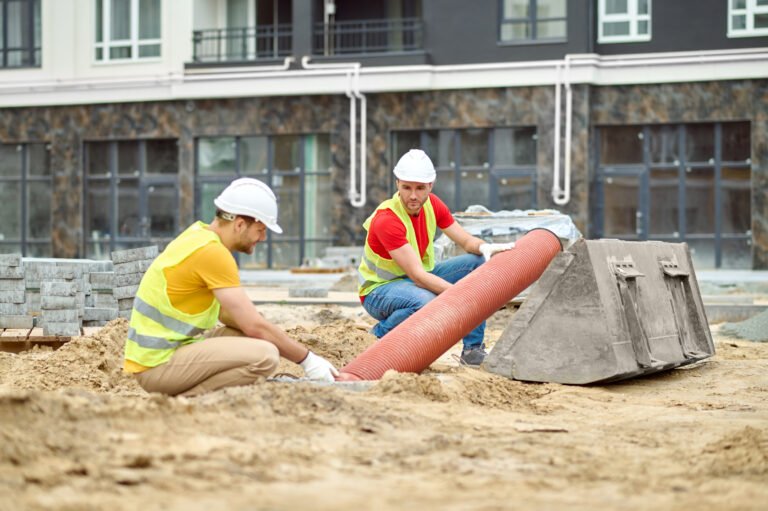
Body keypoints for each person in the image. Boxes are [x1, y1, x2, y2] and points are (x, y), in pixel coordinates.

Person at [124, 177, 339, 396]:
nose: (263, 238)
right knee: (265, 356)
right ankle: (188, 398)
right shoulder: (212, 253)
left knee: (252, 338)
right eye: (260, 229)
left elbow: (232, 317)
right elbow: (255, 326)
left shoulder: (198, 235)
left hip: (165, 355)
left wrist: (264, 329)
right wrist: (308, 360)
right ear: (239, 225)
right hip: (157, 366)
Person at [357, 149, 515, 366]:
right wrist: (465, 296)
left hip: (415, 280)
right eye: (407, 187)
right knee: (426, 302)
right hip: (379, 291)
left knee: (478, 264)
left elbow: (466, 242)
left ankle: (472, 351)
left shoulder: (433, 204)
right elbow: (418, 276)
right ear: (397, 184)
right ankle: (379, 334)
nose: (413, 195)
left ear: (430, 185)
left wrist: (485, 247)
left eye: (420, 188)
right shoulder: (387, 219)